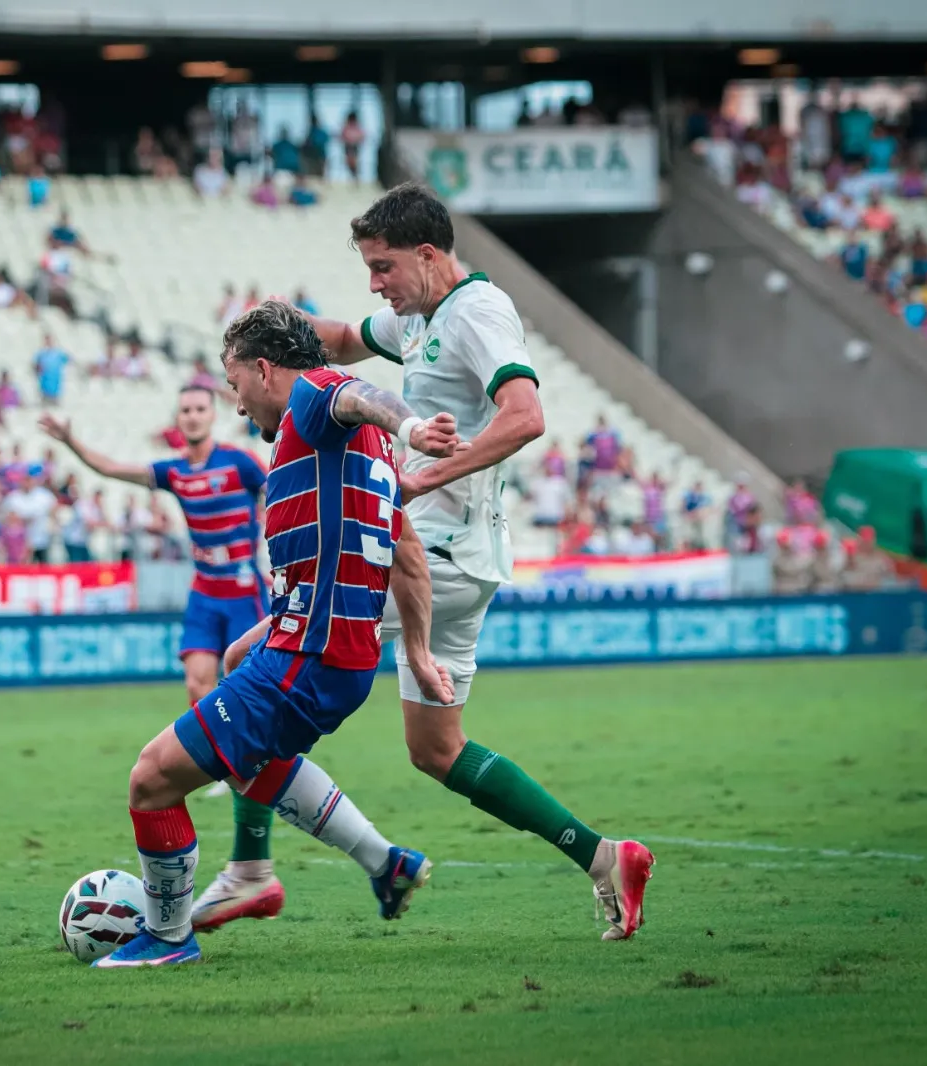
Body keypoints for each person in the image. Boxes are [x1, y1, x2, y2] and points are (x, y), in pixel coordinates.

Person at [203, 184, 655, 941]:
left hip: (433, 554)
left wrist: (418, 477)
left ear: (427, 253)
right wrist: (280, 324)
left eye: (383, 267)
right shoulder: (418, 317)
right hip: (460, 560)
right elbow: (344, 337)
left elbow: (526, 416)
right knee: (435, 750)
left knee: (256, 667)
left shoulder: (477, 313)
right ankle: (607, 857)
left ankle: (253, 869)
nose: (375, 282)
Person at [92, 301, 460, 968]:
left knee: (151, 780)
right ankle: (386, 862)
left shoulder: (314, 398)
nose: (236, 407)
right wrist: (414, 650)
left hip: (308, 658)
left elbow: (360, 391)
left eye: (234, 386)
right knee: (243, 730)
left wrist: (411, 425)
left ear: (265, 370)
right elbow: (404, 555)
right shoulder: (360, 451)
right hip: (331, 655)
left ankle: (169, 937)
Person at [42, 385, 268, 711]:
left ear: (212, 415)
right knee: (197, 681)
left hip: (244, 591)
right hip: (205, 591)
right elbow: (111, 468)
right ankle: (214, 754)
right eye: (186, 410)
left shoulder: (239, 462)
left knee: (246, 685)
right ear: (177, 419)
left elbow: (277, 492)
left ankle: (256, 756)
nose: (192, 416)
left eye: (200, 409)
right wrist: (70, 441)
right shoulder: (174, 472)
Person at [33, 335, 70, 406]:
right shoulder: (41, 354)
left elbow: (68, 360)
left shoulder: (58, 353)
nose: (48, 342)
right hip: (44, 386)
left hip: (55, 386)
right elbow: (35, 367)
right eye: (47, 340)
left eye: (50, 340)